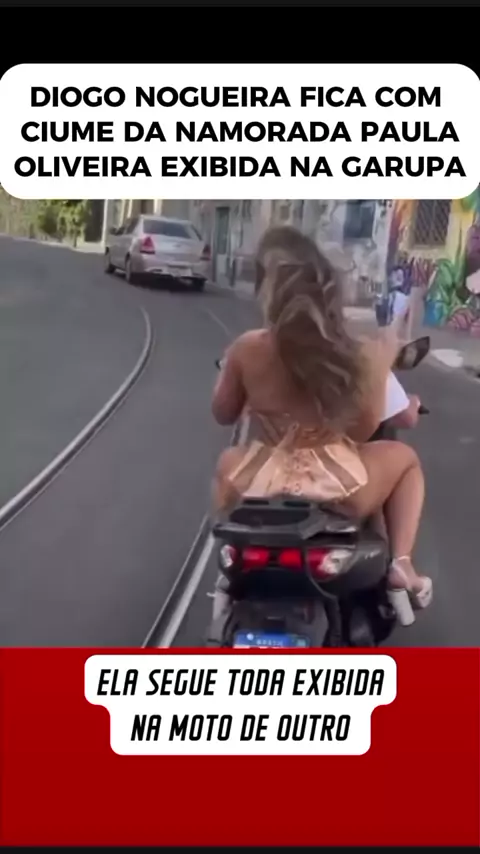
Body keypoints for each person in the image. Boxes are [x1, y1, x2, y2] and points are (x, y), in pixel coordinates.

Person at [211, 226, 432, 625]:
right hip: (336, 484)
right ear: (330, 296)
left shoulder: (246, 348)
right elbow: (363, 431)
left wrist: (235, 373)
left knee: (229, 459)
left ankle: (232, 569)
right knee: (405, 459)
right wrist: (382, 360)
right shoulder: (356, 353)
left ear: (272, 296)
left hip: (261, 480)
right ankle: (401, 564)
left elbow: (223, 413)